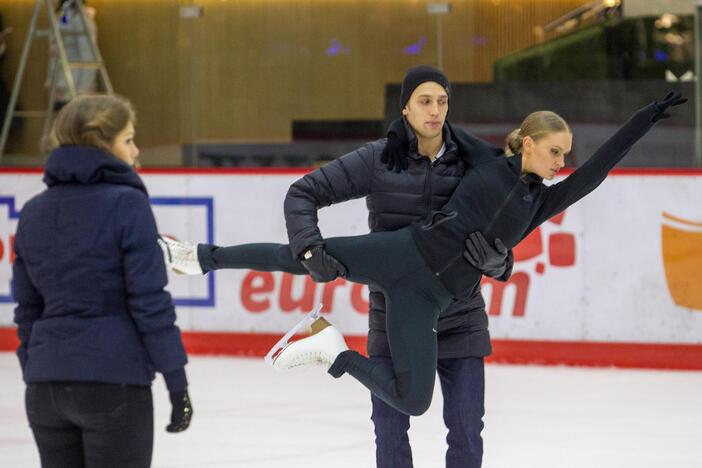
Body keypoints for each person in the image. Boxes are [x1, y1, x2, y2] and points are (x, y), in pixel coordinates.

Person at [168, 66, 511, 468]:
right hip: (394, 317)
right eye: (424, 101)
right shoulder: (379, 159)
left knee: (468, 432)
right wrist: (310, 249)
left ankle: (206, 258)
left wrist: (501, 262)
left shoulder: (474, 163)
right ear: (405, 108)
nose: (435, 110)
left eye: (442, 101)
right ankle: (204, 257)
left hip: (461, 319)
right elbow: (303, 192)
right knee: (390, 431)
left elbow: (506, 224)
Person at [13, 94, 192, 468]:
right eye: (128, 139)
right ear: (102, 144)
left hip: (45, 390)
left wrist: (39, 365)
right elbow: (149, 301)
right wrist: (177, 382)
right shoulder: (126, 203)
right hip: (113, 386)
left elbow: (28, 310)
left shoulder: (32, 212)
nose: (136, 149)